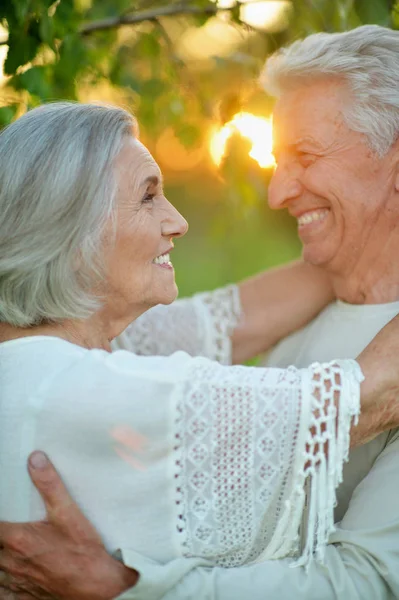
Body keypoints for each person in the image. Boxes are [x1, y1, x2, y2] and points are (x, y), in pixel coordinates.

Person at [1, 23, 399, 599]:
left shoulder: (57, 346)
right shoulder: (71, 382)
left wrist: (350, 243)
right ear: (70, 234)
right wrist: (121, 588)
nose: (275, 194)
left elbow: (369, 581)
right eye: (146, 195)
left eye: (305, 156)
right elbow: (361, 397)